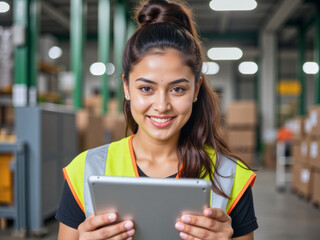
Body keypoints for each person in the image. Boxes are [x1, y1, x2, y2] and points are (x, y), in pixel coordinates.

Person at [56, 0, 258, 239]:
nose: (162, 106)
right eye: (146, 89)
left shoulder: (229, 176)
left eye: (178, 89)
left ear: (196, 89)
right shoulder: (85, 170)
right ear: (126, 87)